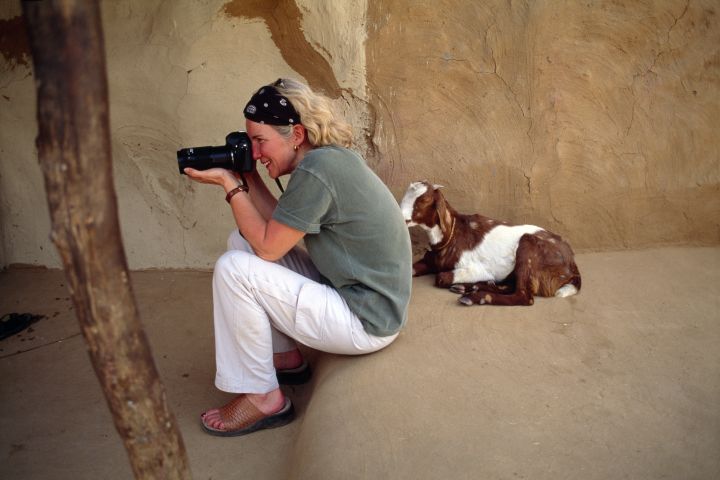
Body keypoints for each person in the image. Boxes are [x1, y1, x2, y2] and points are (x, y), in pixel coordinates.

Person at [184, 78, 412, 436]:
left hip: (367, 321)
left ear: (297, 135)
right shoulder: (326, 162)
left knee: (234, 268)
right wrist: (247, 177)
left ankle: (264, 398)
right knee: (239, 242)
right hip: (357, 295)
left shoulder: (318, 173)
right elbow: (278, 227)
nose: (256, 152)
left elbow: (270, 248)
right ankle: (285, 358)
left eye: (261, 142)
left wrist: (230, 186)